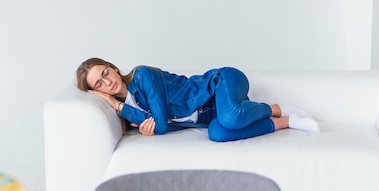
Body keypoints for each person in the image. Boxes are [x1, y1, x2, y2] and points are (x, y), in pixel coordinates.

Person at [75, 57, 319, 142]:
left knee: (230, 116)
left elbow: (159, 125)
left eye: (105, 73)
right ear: (99, 93)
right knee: (218, 133)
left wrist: (117, 105)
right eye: (99, 84)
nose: (107, 82)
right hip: (210, 115)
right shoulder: (130, 115)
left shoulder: (143, 76)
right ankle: (287, 122)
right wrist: (126, 113)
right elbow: (156, 125)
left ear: (113, 68)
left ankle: (276, 108)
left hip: (221, 82)